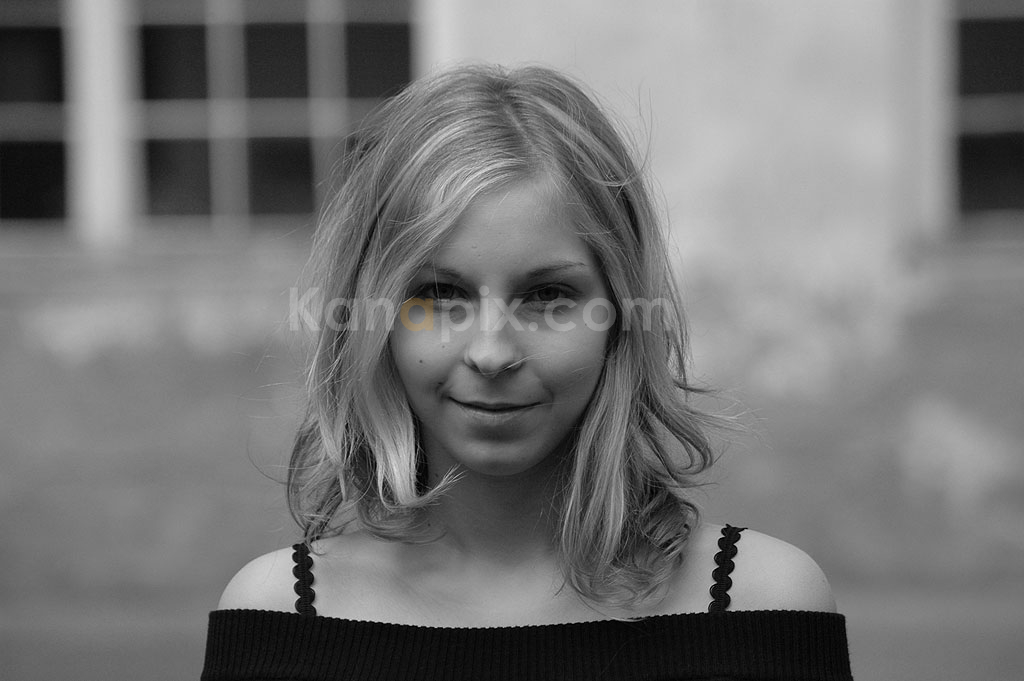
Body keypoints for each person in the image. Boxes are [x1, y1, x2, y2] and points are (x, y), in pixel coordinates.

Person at [202, 64, 852, 680]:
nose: (491, 353)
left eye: (547, 296)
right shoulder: (278, 615)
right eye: (440, 294)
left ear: (622, 315)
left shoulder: (762, 603)